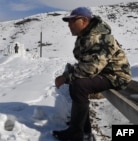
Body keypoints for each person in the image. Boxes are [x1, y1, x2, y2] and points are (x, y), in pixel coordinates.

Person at [52, 7, 131, 141]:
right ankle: (82, 129)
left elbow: (89, 69)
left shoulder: (98, 38)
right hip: (104, 72)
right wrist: (68, 76)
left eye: (72, 21)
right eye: (68, 22)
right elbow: (84, 63)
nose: (69, 25)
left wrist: (65, 78)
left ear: (84, 20)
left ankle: (77, 133)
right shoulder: (85, 36)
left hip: (117, 76)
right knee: (77, 83)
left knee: (79, 85)